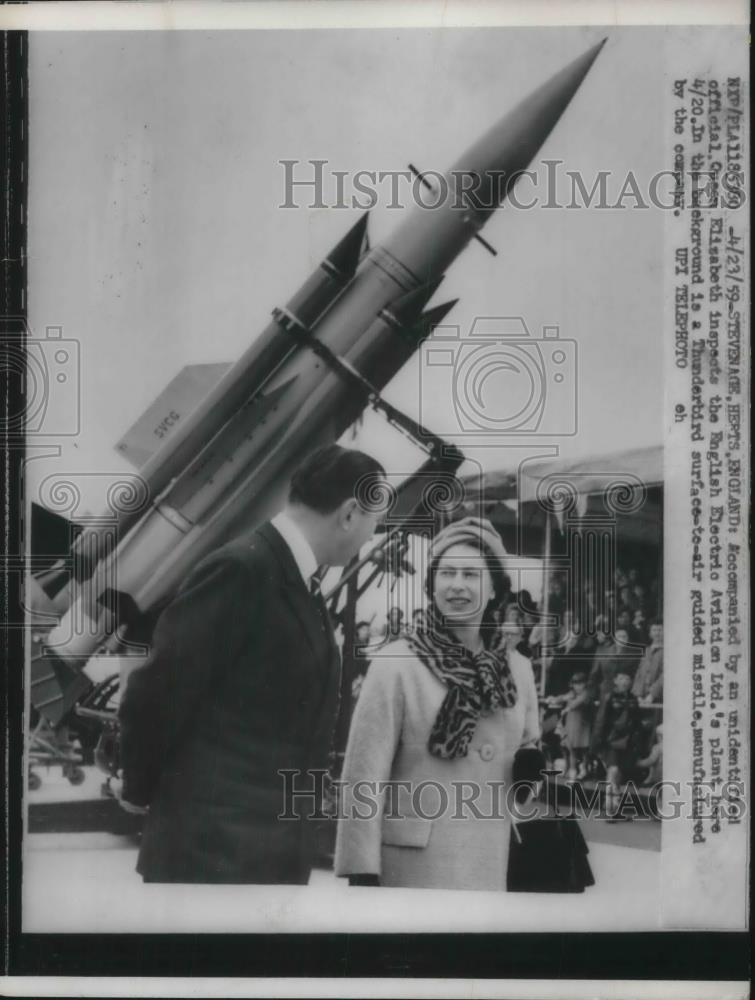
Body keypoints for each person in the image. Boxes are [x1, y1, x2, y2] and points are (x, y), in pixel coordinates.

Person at [117, 444, 385, 883]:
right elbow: (158, 689)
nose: (371, 536)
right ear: (350, 513)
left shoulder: (294, 578)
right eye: (373, 522)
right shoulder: (243, 569)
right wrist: (140, 788)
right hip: (211, 857)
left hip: (263, 852)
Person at [334, 517, 540, 891]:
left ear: (494, 589)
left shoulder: (519, 669)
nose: (457, 585)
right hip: (412, 866)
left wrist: (529, 769)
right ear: (432, 585)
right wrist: (361, 868)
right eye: (447, 573)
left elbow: (528, 746)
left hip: (489, 858)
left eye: (471, 575)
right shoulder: (396, 663)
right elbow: (364, 774)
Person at [591, 667, 644, 820]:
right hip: (611, 741)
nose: (625, 682)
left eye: (627, 679)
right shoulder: (609, 698)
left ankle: (614, 807)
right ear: (615, 680)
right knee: (613, 771)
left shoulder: (633, 699)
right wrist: (596, 743)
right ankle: (610, 809)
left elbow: (637, 723)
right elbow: (600, 721)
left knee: (618, 774)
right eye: (621, 678)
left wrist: (638, 743)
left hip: (628, 742)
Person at [560, 672, 592, 780]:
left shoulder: (586, 694)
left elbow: (577, 703)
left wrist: (567, 708)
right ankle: (571, 768)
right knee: (569, 746)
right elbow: (564, 697)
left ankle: (584, 768)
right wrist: (554, 699)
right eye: (576, 684)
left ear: (585, 684)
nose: (578, 687)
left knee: (583, 748)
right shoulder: (572, 693)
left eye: (581, 684)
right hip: (571, 723)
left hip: (582, 724)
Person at [632, 620, 664, 704]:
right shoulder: (647, 650)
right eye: (654, 630)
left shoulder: (669, 650)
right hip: (643, 698)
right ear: (650, 633)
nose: (657, 633)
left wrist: (652, 695)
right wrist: (638, 695)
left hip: (660, 696)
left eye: (660, 630)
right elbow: (639, 673)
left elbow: (665, 675)